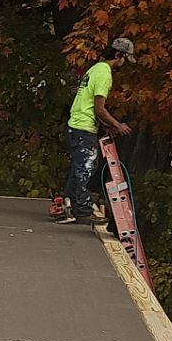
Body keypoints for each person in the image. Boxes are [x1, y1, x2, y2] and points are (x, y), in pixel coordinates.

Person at [59, 35, 134, 225]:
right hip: (83, 126)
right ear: (118, 54)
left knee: (79, 168)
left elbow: (91, 105)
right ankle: (82, 210)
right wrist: (117, 125)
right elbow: (99, 107)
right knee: (86, 167)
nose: (124, 63)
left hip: (76, 123)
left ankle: (69, 205)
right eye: (124, 58)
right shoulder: (104, 73)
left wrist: (106, 125)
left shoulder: (95, 69)